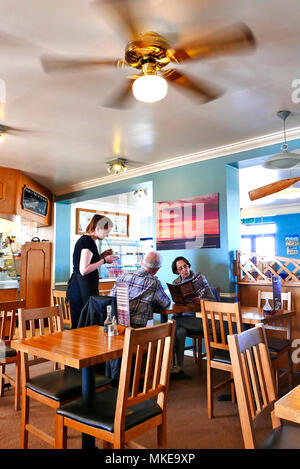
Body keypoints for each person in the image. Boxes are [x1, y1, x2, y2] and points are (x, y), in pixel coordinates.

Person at [67, 213, 118, 328]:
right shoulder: (87, 241)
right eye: (106, 233)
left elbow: (87, 263)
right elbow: (84, 270)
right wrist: (104, 260)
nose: (107, 236)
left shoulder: (88, 240)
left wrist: (101, 256)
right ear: (98, 228)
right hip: (82, 289)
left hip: (82, 286)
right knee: (83, 326)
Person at [171, 256, 215, 379]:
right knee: (179, 330)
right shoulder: (176, 283)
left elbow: (212, 299)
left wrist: (199, 300)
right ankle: (179, 367)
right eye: (180, 268)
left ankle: (169, 357)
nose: (183, 270)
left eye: (185, 266)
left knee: (174, 323)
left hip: (200, 320)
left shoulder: (199, 279)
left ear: (188, 266)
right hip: (184, 320)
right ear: (177, 271)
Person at [110, 251, 171, 328]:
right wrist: (151, 304)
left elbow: (111, 298)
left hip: (115, 326)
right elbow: (165, 304)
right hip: (135, 330)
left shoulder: (122, 276)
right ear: (157, 270)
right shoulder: (153, 283)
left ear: (141, 262)